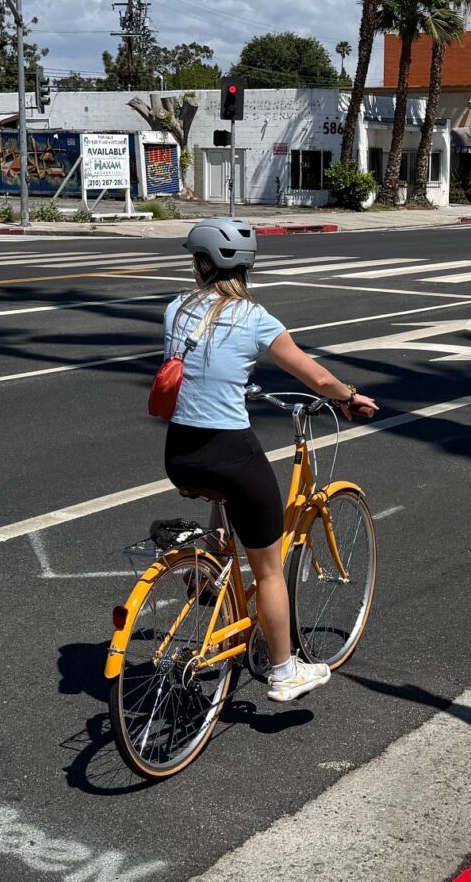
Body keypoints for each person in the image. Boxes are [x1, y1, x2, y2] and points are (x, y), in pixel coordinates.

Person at [162, 217, 378, 702]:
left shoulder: (174, 309)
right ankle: (283, 670)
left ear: (200, 265)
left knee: (223, 494)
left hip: (179, 452)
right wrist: (349, 396)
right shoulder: (255, 318)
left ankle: (212, 558)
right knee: (269, 568)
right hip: (228, 451)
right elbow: (315, 378)